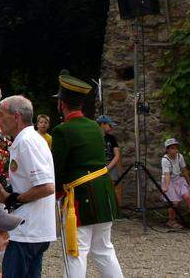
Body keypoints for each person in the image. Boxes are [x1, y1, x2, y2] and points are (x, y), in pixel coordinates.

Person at [0, 95, 55, 278]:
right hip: (32, 228)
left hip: (27, 230)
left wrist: (13, 199)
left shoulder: (27, 142)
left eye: (2, 114)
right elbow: (24, 181)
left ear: (16, 117)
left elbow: (47, 186)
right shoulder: (28, 139)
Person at [50, 75, 122, 278]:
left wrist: (53, 194)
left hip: (81, 198)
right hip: (104, 194)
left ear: (61, 104)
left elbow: (57, 169)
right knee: (104, 249)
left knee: (76, 251)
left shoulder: (62, 131)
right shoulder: (94, 127)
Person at [161, 137, 190, 229]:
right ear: (167, 150)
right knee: (174, 203)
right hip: (169, 181)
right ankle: (171, 221)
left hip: (179, 179)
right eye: (172, 148)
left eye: (176, 148)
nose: (175, 150)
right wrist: (166, 187)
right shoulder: (165, 160)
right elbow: (167, 175)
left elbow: (184, 170)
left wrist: (189, 183)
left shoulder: (180, 156)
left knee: (187, 196)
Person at [97, 116, 122, 205]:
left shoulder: (111, 138)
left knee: (112, 189)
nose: (111, 127)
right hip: (98, 166)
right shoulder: (95, 137)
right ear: (102, 125)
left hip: (110, 165)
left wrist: (108, 168)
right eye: (109, 125)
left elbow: (117, 155)